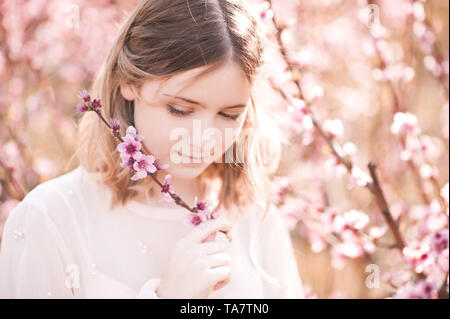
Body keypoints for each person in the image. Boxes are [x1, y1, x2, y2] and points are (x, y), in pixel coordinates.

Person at [0, 0, 304, 299]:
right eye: (180, 110)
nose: (203, 139)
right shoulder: (52, 218)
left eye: (229, 115)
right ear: (128, 83)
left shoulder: (252, 216)